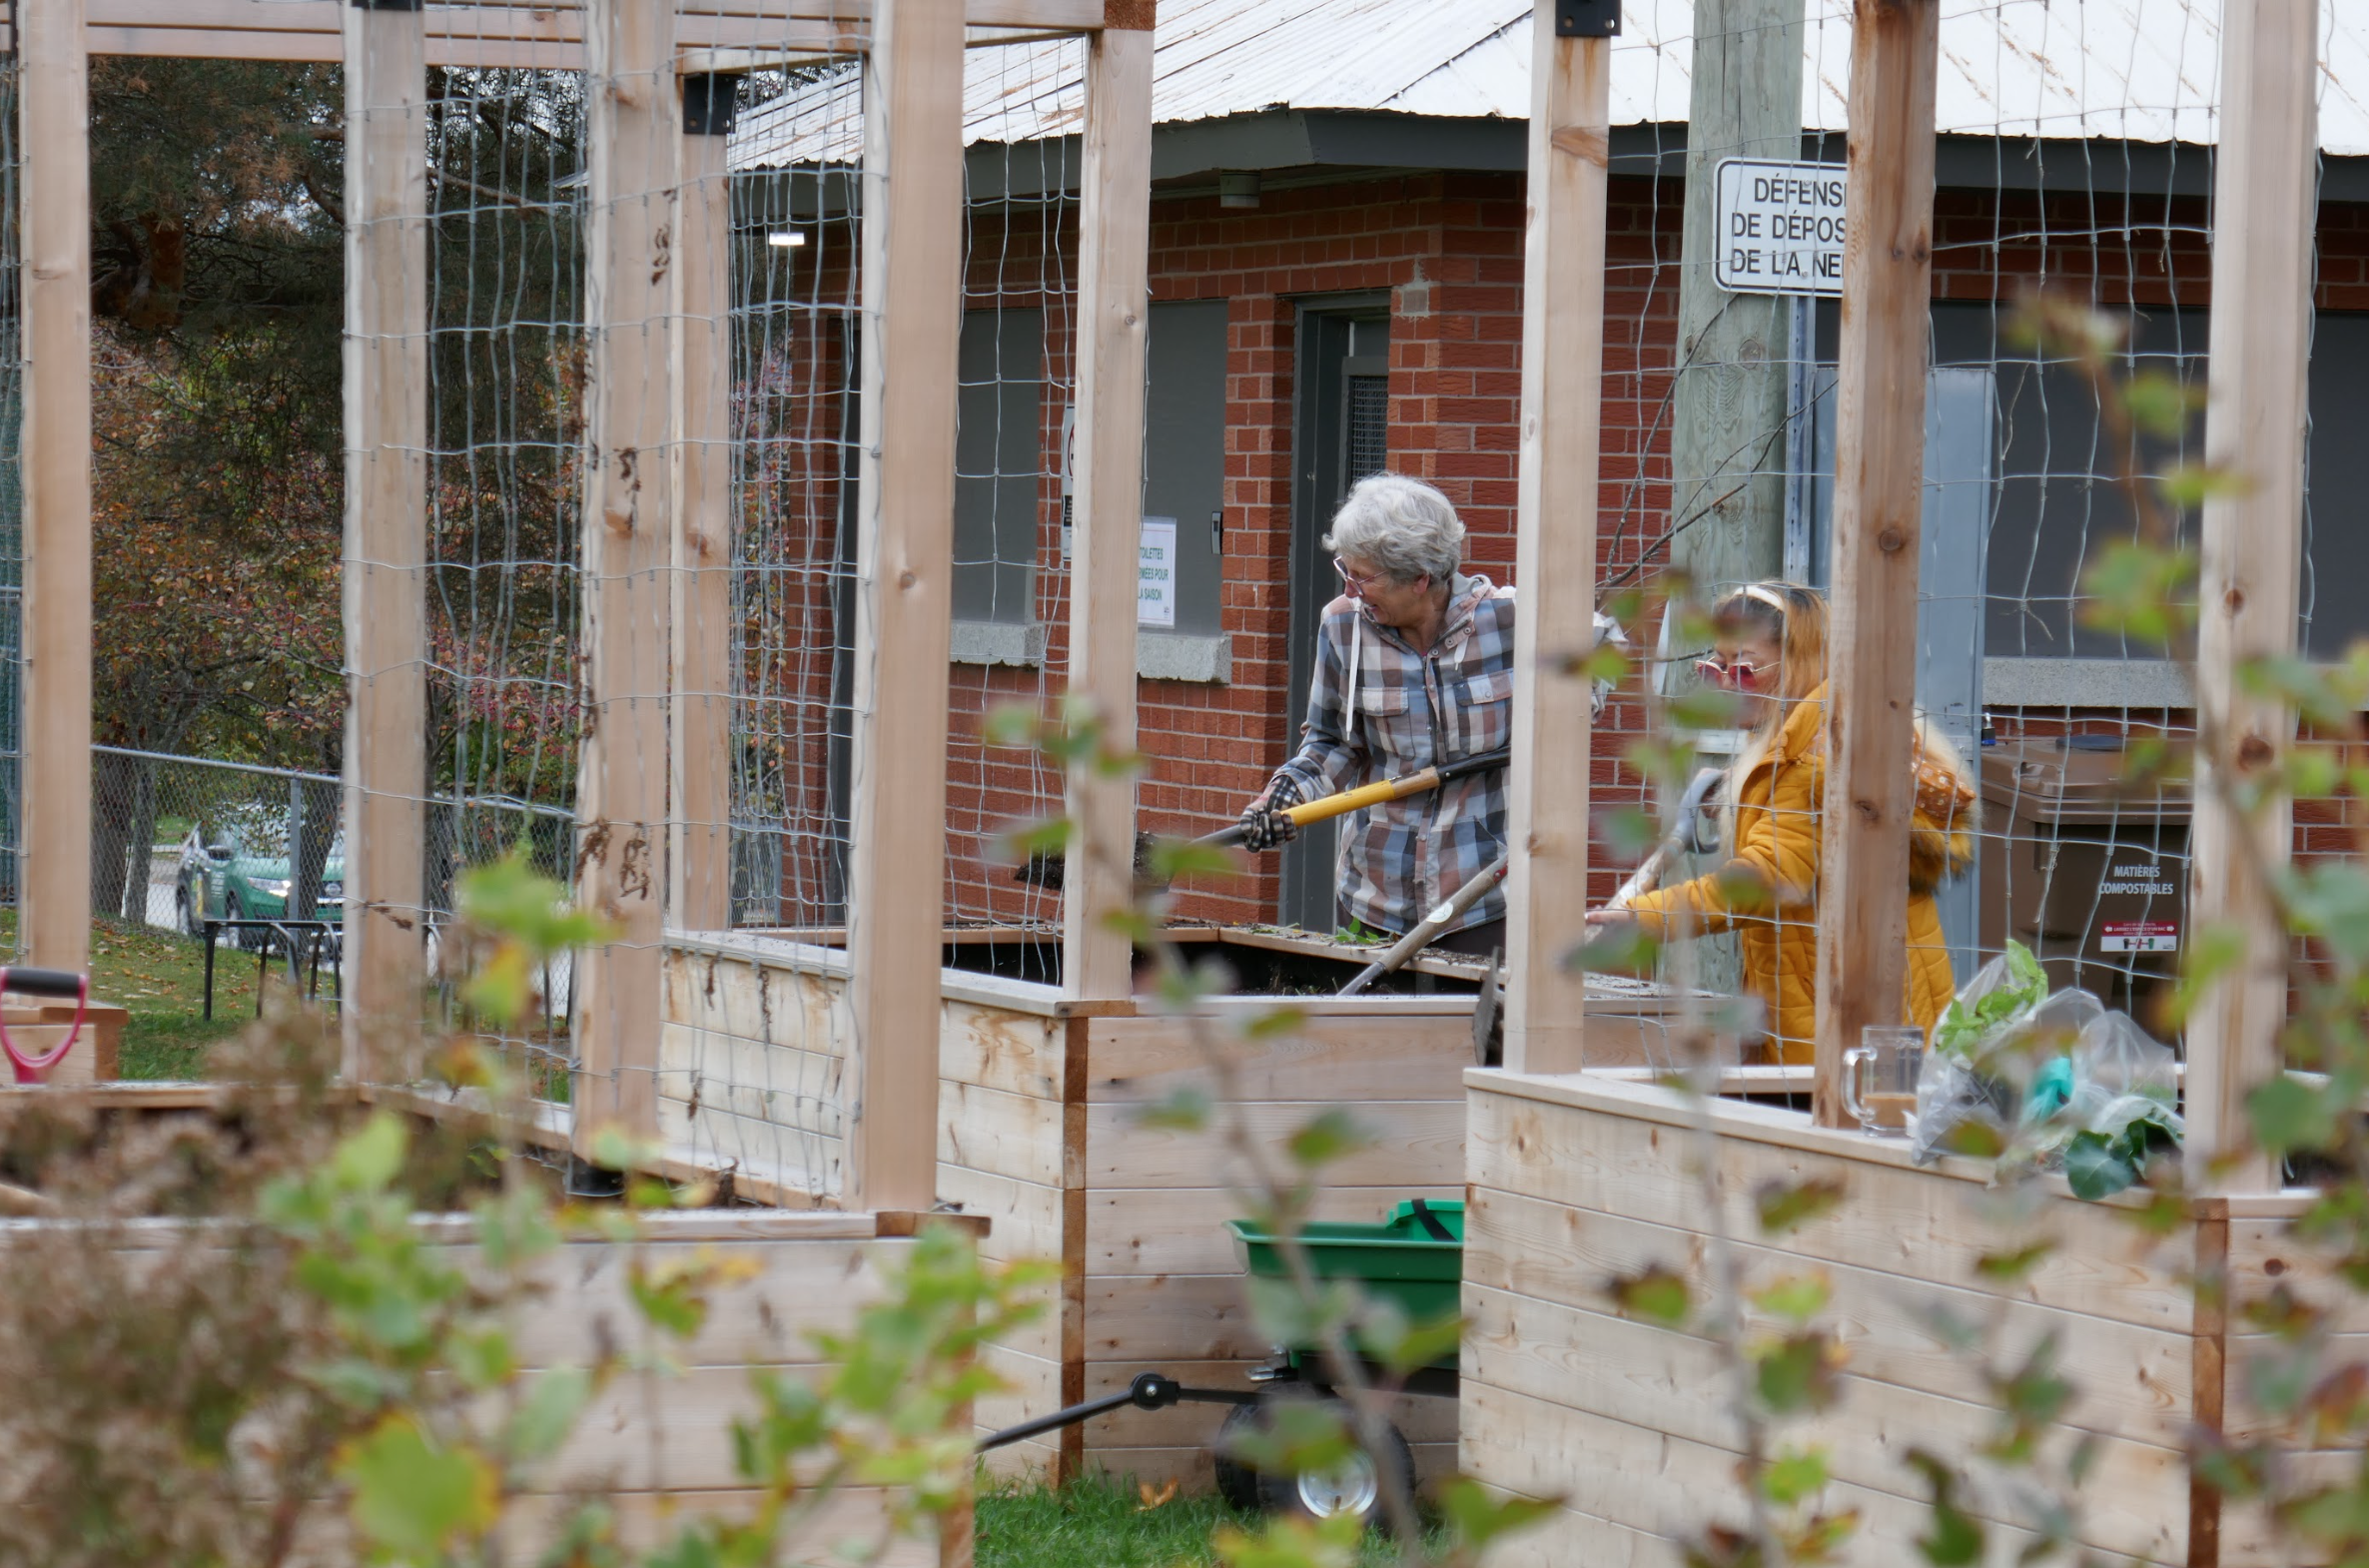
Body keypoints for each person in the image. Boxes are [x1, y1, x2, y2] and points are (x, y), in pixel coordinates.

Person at [1585, 581, 1977, 1064]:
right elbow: (1801, 831)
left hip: (1844, 1024)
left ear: (1802, 662)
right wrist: (1738, 792)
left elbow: (1767, 880)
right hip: (1864, 1001)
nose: (1728, 684)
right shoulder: (1837, 734)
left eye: (1746, 668)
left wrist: (1646, 916)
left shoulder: (1816, 764)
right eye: (1716, 667)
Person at [1237, 474, 1515, 957]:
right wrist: (1280, 798)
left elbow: (1604, 642)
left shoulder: (1509, 621)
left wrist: (1573, 710)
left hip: (1482, 896)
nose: (1351, 587)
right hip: (1375, 895)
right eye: (1347, 569)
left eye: (1364, 577)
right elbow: (1331, 742)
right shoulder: (1343, 626)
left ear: (1420, 578)